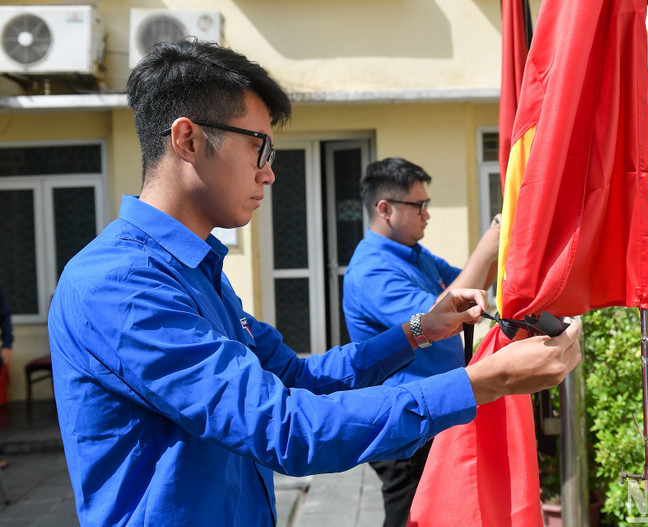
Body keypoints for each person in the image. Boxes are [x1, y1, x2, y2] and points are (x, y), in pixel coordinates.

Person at [47, 40, 582, 527]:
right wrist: (484, 382)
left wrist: (419, 330)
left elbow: (299, 378)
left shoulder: (196, 271)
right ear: (188, 139)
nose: (268, 172)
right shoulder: (120, 285)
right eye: (259, 148)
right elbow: (284, 427)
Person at [343, 157, 501, 527]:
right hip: (403, 422)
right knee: (409, 516)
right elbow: (438, 316)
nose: (426, 215)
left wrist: (499, 248)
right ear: (385, 209)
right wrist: (489, 243)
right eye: (418, 206)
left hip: (432, 410)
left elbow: (468, 286)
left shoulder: (413, 252)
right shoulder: (371, 270)